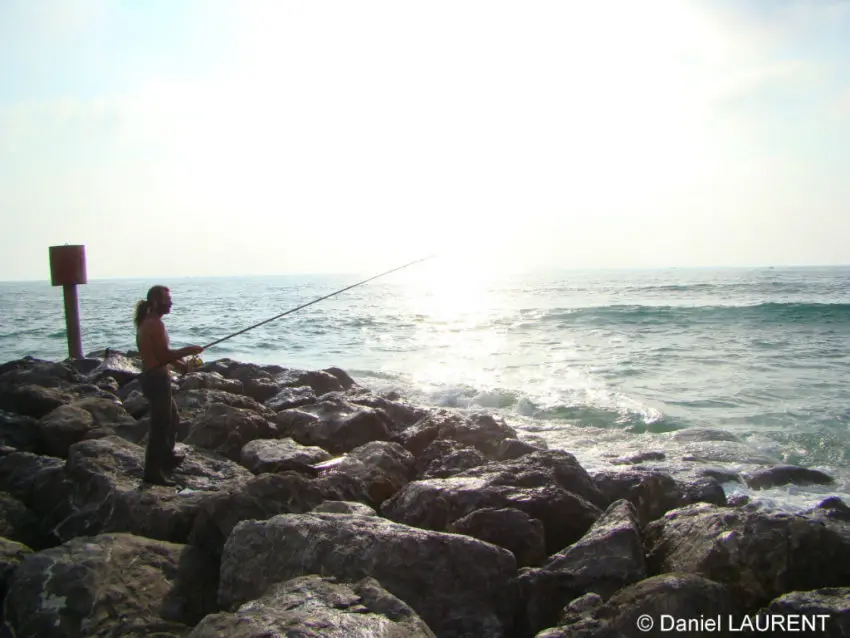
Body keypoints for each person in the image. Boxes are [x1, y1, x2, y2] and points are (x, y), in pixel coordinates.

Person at [134, 285, 203, 486]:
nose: (171, 302)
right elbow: (163, 355)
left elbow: (158, 354)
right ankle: (152, 473)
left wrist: (179, 364)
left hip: (155, 376)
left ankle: (167, 457)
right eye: (167, 299)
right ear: (155, 302)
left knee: (172, 419)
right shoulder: (154, 324)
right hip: (156, 380)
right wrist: (189, 350)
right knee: (160, 426)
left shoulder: (150, 322)